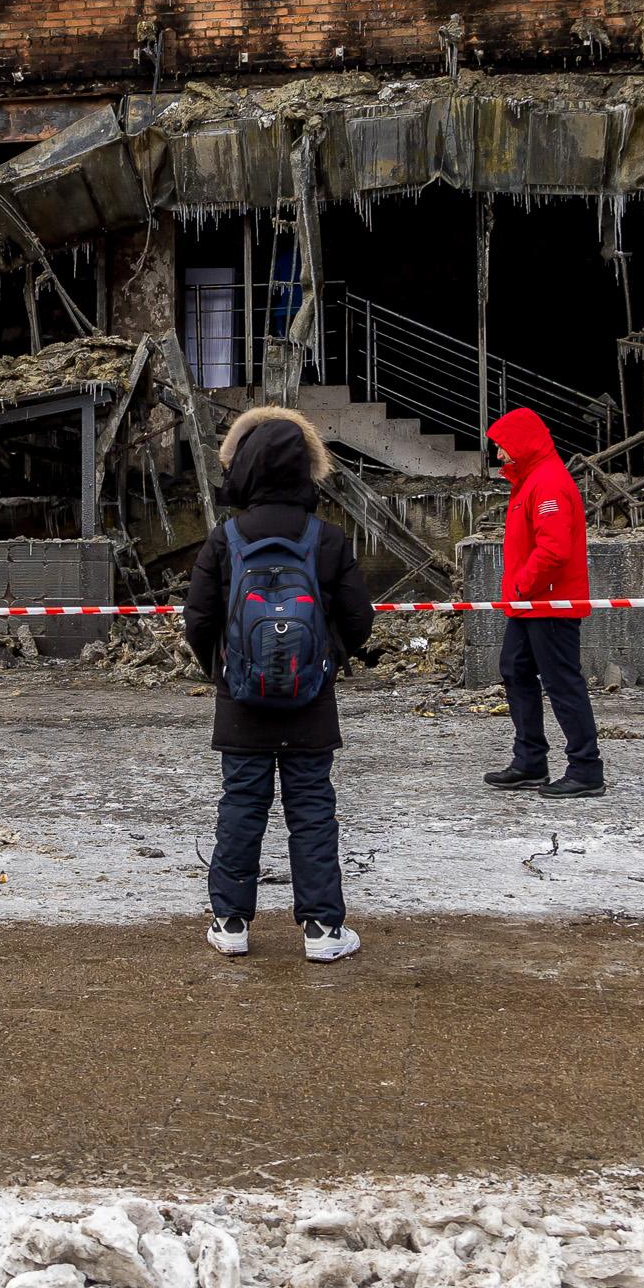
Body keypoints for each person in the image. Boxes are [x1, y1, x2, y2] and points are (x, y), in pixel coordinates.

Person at [183, 406, 375, 963]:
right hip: (310, 704)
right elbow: (359, 619)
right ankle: (321, 931)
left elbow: (198, 619)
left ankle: (231, 923)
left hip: (240, 704)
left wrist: (221, 668)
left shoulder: (225, 539)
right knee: (312, 808)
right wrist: (326, 660)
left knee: (242, 805)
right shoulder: (328, 539)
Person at [481, 407, 604, 798]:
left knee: (562, 683)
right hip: (532, 603)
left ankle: (586, 769)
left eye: (501, 447)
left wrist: (520, 589)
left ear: (521, 443)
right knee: (515, 671)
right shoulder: (533, 480)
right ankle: (530, 761)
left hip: (548, 603)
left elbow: (553, 551)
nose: (498, 455)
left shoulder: (547, 483)